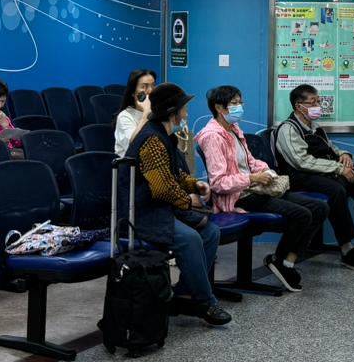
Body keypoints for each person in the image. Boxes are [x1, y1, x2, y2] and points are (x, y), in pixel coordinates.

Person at [196, 85, 327, 293]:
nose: (240, 107)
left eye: (240, 102)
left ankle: (286, 260)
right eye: (234, 103)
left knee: (319, 208)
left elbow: (251, 161)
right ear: (219, 108)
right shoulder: (212, 136)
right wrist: (252, 178)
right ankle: (280, 262)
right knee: (302, 214)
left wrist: (266, 172)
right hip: (238, 196)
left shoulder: (234, 129)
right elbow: (219, 182)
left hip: (255, 188)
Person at [128, 83, 230, 326]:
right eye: (183, 108)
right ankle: (205, 302)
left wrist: (195, 185)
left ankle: (184, 293)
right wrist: (187, 200)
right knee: (190, 238)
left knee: (211, 232)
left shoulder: (165, 136)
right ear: (172, 112)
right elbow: (161, 188)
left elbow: (175, 175)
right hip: (144, 212)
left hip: (163, 207)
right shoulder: (152, 140)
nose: (186, 113)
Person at [275, 84, 354, 272]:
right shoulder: (288, 129)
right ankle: (346, 248)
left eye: (318, 101)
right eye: (313, 102)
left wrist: (344, 155)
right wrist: (338, 168)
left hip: (323, 172)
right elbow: (301, 161)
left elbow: (330, 148)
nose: (318, 106)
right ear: (298, 106)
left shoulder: (316, 127)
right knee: (337, 190)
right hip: (299, 177)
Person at [113, 68, 156, 157]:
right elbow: (134, 146)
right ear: (133, 92)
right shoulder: (124, 116)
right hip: (130, 163)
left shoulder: (156, 114)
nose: (150, 90)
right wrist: (146, 114)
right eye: (144, 87)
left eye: (153, 85)